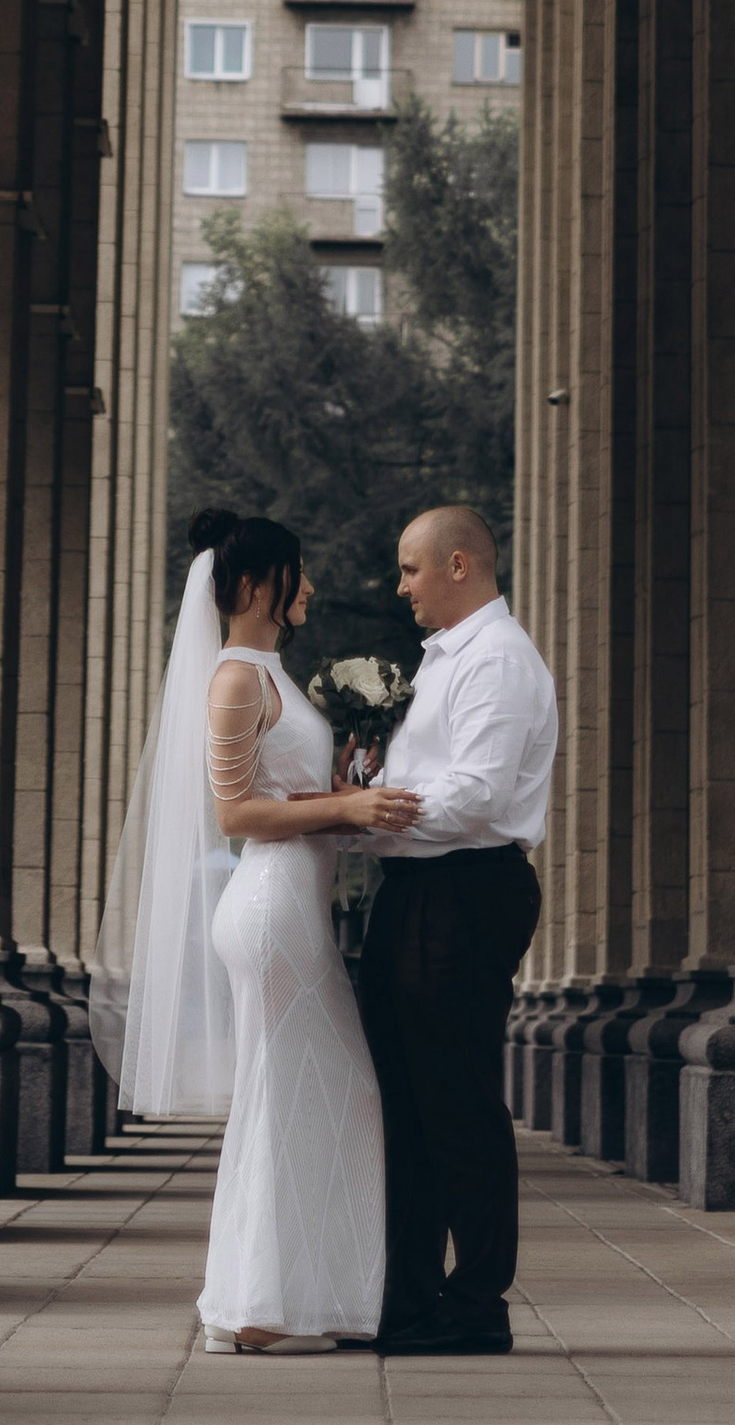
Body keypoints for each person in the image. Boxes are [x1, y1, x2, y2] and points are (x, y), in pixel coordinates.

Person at [90, 507, 421, 1354]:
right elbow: (234, 813)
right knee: (296, 1094)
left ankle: (286, 1297)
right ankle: (262, 1307)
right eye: (293, 573)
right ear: (249, 586)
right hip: (271, 910)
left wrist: (349, 786)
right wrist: (344, 805)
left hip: (296, 903)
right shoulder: (237, 679)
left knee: (319, 1095)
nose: (307, 586)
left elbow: (290, 801)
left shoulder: (273, 675)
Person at [358, 503, 560, 1356]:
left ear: (459, 566)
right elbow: (432, 775)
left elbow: (477, 793)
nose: (399, 585)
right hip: (414, 887)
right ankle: (407, 1296)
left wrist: (369, 818)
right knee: (405, 1103)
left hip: (466, 890)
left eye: (410, 568)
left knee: (459, 1103)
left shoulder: (502, 662)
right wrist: (370, 784)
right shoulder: (441, 661)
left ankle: (476, 1301)